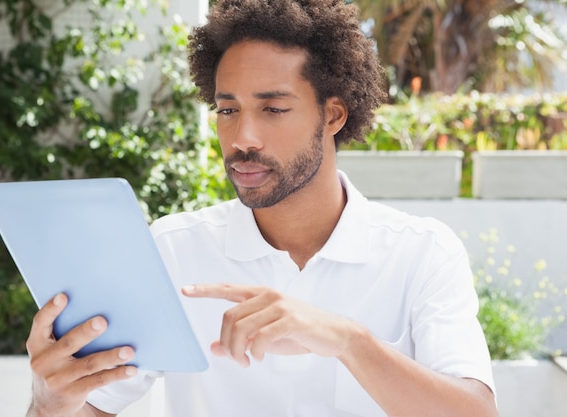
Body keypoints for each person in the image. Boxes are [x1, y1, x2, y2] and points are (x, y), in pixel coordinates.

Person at [26, 1, 498, 416]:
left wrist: (348, 341)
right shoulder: (171, 251)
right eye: (228, 111)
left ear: (333, 115)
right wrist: (50, 406)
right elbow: (88, 408)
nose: (242, 139)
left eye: (273, 109)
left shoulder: (421, 254)